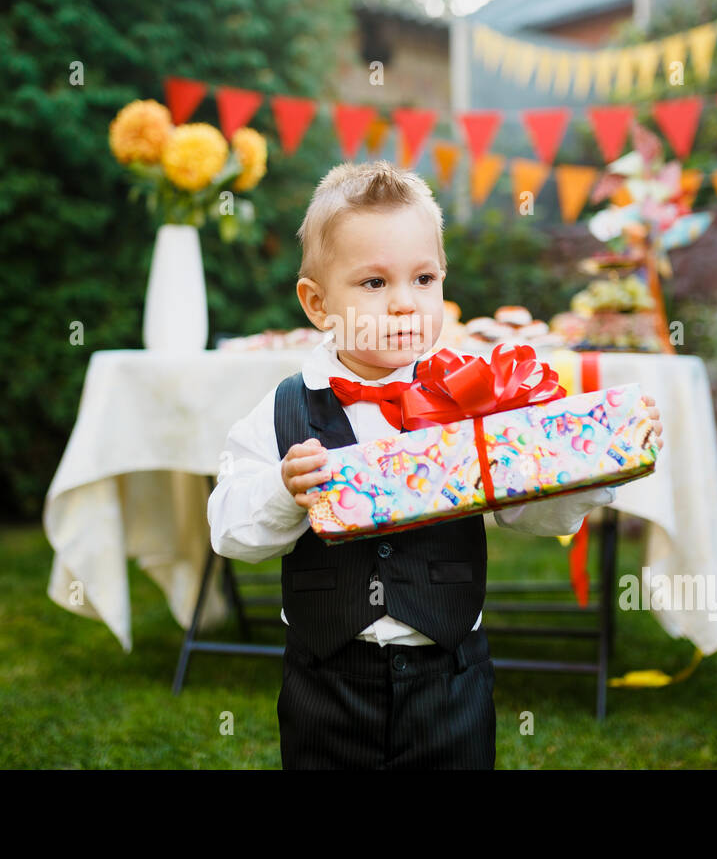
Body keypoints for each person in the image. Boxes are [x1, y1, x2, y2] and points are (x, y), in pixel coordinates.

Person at [207, 160, 664, 769]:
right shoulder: (284, 409)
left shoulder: (472, 397)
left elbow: (531, 517)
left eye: (423, 279)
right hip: (328, 681)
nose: (404, 304)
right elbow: (228, 529)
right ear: (317, 303)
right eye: (373, 284)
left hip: (449, 676)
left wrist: (591, 465)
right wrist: (282, 489)